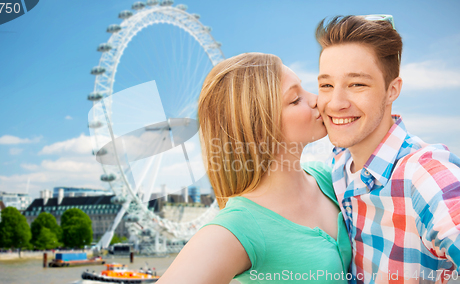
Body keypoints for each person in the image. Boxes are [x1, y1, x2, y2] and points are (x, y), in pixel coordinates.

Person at [157, 53, 351, 284]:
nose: (317, 99)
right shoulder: (237, 228)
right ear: (258, 128)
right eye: (295, 99)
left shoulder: (330, 178)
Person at [316, 15, 460, 283]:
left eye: (357, 84)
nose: (335, 103)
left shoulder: (422, 173)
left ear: (392, 90)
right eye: (326, 85)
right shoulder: (337, 166)